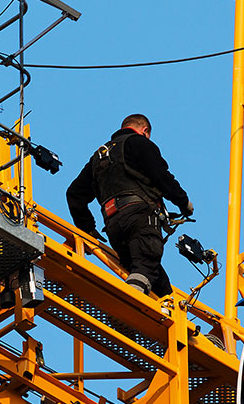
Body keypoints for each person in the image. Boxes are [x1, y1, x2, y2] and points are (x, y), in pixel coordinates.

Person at [66, 114, 193, 297]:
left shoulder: (99, 157)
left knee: (156, 283)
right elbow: (161, 177)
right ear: (145, 131)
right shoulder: (139, 143)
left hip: (113, 227)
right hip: (140, 218)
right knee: (145, 264)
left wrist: (88, 230)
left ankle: (166, 311)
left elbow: (74, 194)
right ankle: (125, 306)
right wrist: (184, 203)